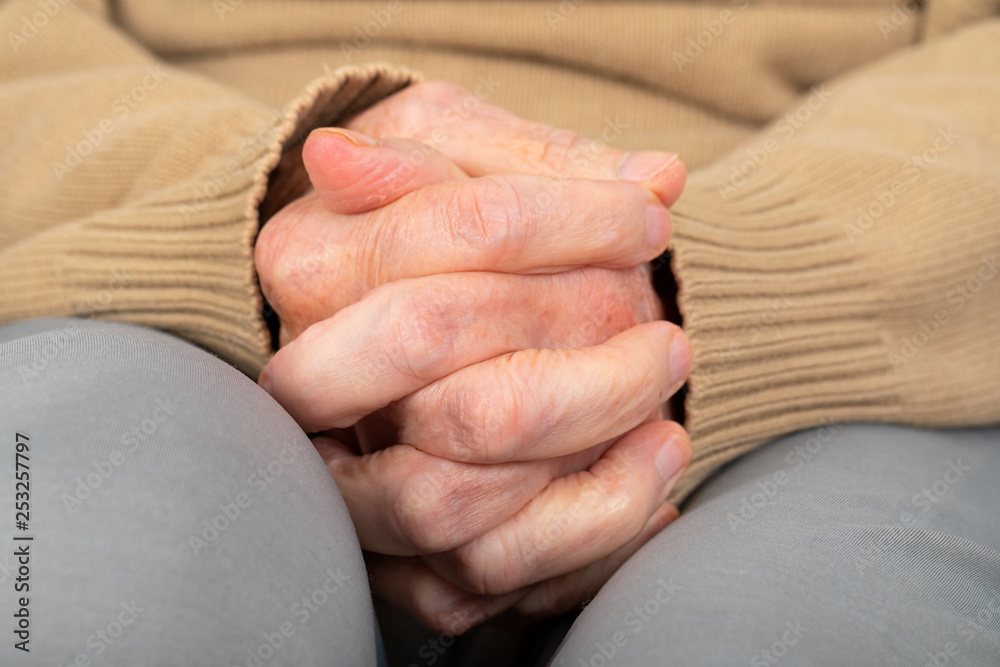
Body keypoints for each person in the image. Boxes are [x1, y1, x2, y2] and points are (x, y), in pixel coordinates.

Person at [0, 0, 998, 665]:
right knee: (93, 587)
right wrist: (279, 222)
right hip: (153, 291)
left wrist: (694, 280)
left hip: (848, 346)